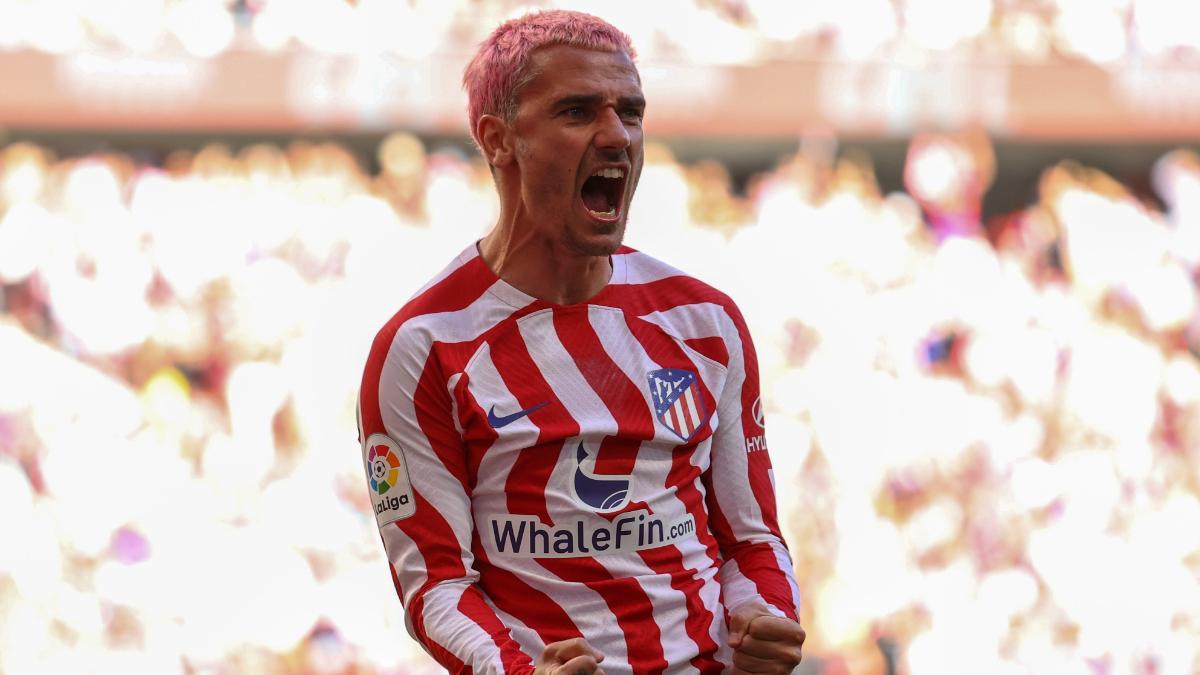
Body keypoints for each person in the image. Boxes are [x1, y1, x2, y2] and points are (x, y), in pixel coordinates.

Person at [358, 10, 805, 674]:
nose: (617, 135)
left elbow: (752, 539)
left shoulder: (705, 322)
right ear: (498, 139)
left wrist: (767, 614)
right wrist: (516, 670)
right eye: (577, 112)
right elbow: (438, 586)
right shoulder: (422, 347)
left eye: (631, 111)